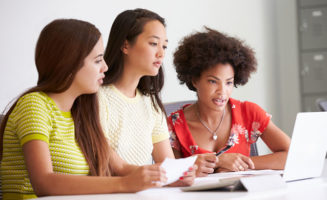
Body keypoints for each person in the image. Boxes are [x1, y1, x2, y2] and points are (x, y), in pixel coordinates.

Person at [0, 19, 172, 199]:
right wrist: (124, 184)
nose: (105, 67)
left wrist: (167, 176)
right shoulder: (34, 105)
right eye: (98, 60)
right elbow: (44, 183)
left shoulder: (82, 113)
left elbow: (120, 167)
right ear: (69, 64)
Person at [168, 27, 291, 176]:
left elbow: (291, 155)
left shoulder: (249, 112)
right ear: (194, 80)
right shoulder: (174, 125)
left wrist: (240, 164)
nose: (222, 91)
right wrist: (219, 162)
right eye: (213, 82)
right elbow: (171, 173)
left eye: (228, 83)